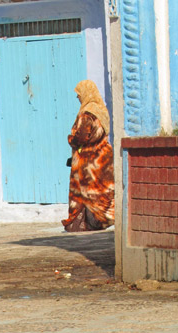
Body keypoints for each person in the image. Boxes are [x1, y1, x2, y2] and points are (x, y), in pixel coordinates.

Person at [62, 79, 115, 232]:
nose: (78, 97)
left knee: (87, 194)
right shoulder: (102, 111)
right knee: (101, 192)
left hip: (88, 163)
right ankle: (103, 220)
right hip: (103, 159)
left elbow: (82, 136)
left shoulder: (87, 114)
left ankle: (88, 223)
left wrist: (71, 139)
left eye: (79, 94)